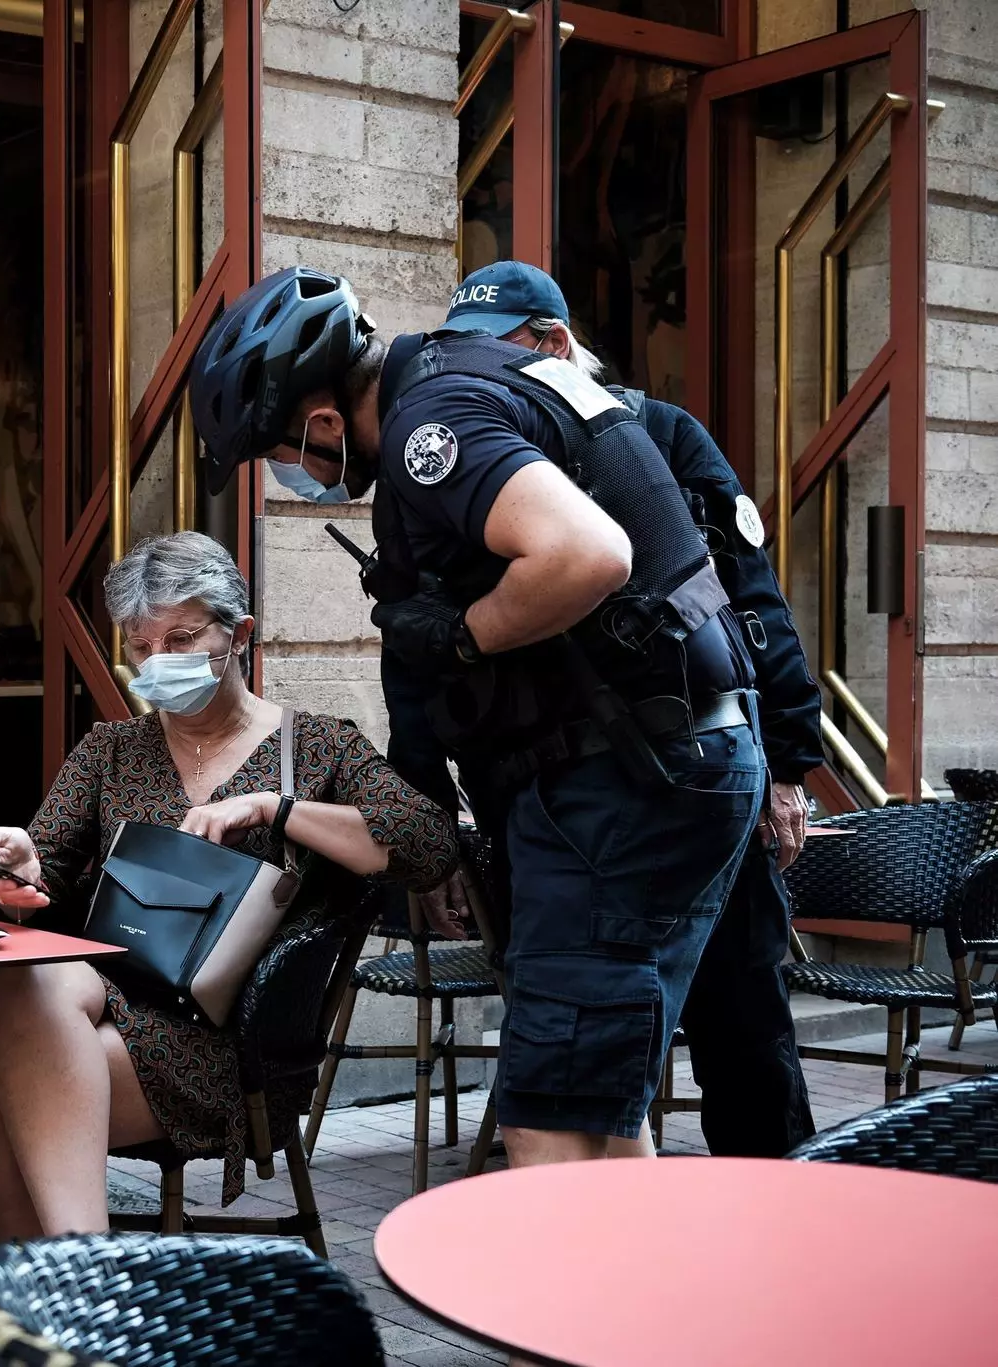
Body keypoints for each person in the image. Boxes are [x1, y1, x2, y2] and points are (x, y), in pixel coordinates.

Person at [189, 265, 765, 1169]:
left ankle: (572, 1313)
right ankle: (642, 1301)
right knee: (601, 1103)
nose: (289, 475)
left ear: (326, 422)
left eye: (280, 453)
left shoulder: (434, 421)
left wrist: (464, 635)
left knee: (546, 1121)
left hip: (623, 780)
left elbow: (588, 553)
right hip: (676, 758)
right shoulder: (481, 371)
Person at [0, 532, 456, 1244]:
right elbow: (45, 872)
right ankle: (74, 1290)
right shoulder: (111, 749)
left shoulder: (316, 748)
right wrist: (14, 872)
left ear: (241, 633)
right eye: (140, 646)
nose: (159, 662)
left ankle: (58, 1302)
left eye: (181, 637)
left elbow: (427, 840)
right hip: (100, 1006)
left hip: (233, 1045)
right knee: (23, 977)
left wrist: (276, 808)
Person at [433, 261, 820, 1156]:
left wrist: (788, 768)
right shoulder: (484, 456)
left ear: (555, 345)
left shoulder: (659, 433)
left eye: (499, 354)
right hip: (570, 798)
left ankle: (775, 1211)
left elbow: (752, 605)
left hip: (695, 764)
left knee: (743, 1014)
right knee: (584, 1045)